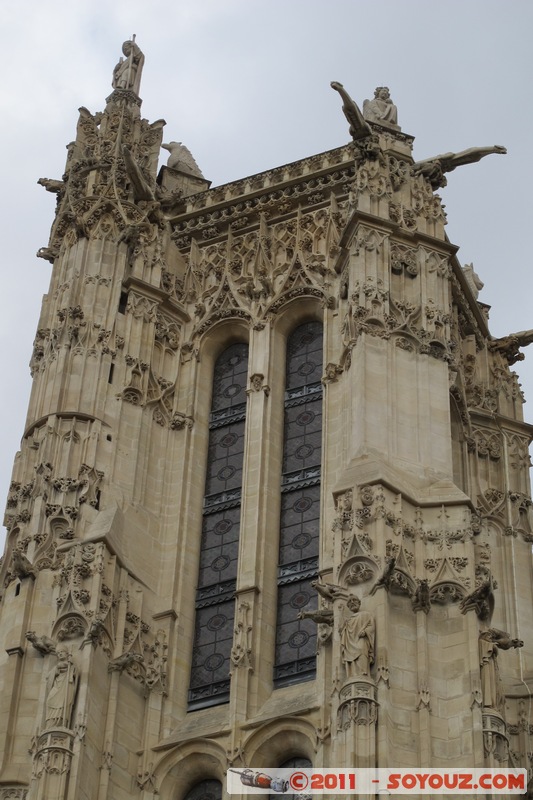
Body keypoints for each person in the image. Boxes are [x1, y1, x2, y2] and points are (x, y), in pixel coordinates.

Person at [340, 596, 375, 678]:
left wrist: (365, 631)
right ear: (348, 606)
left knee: (362, 652)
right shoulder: (348, 620)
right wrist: (341, 612)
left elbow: (372, 627)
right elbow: (340, 629)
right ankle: (353, 675)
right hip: (349, 644)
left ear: (359, 603)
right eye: (349, 602)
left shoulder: (366, 615)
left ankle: (363, 674)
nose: (352, 602)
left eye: (354, 600)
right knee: (351, 660)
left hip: (361, 640)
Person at [45, 647, 78, 728]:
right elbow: (48, 677)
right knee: (49, 700)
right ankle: (50, 724)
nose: (59, 654)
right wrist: (57, 669)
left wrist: (70, 667)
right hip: (56, 687)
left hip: (65, 688)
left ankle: (60, 723)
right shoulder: (56, 667)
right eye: (58, 653)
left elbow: (75, 674)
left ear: (67, 654)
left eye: (62, 652)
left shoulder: (71, 666)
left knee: (64, 704)